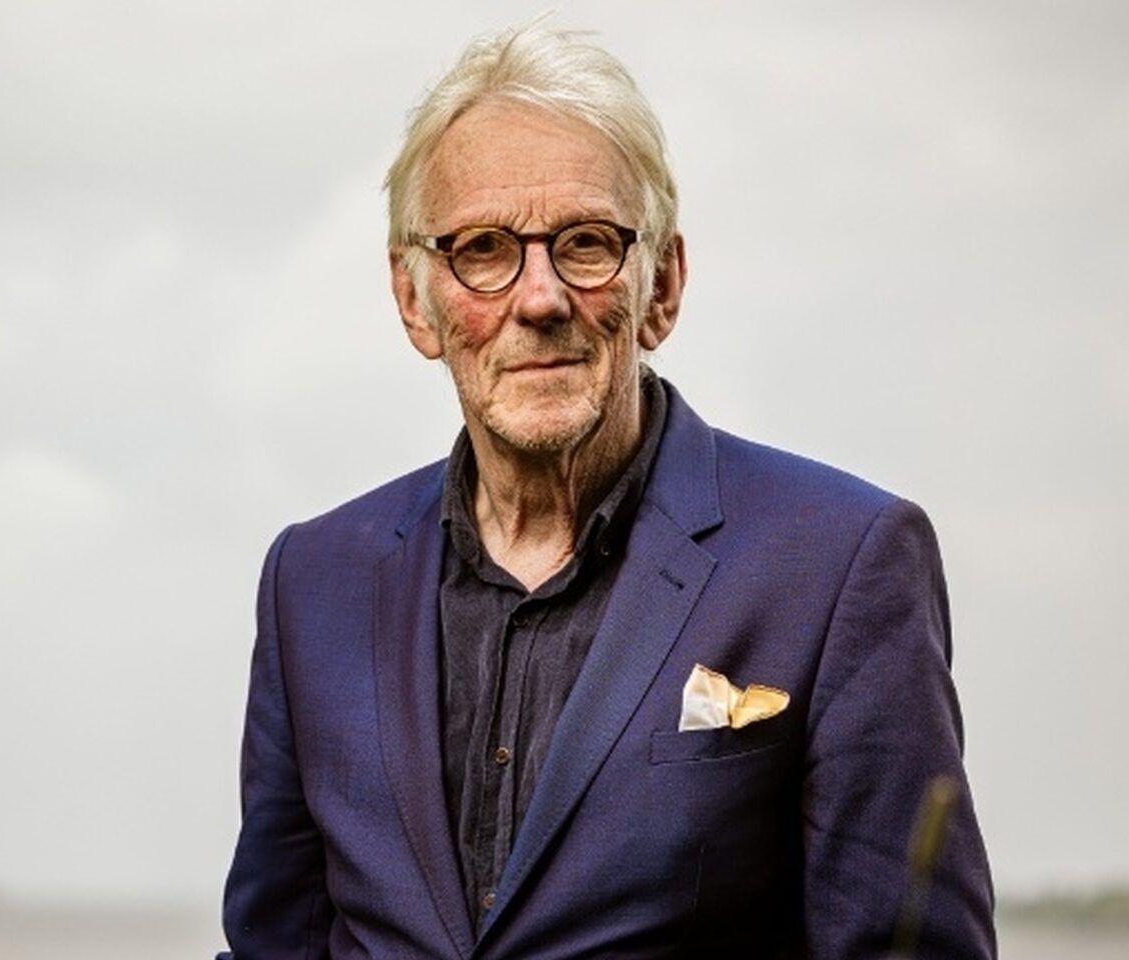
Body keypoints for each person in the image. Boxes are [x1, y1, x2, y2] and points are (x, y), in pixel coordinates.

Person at [217, 23, 995, 960]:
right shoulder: (312, 580)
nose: (540, 298)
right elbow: (273, 944)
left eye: (586, 244)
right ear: (416, 302)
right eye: (482, 249)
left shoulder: (841, 562)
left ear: (661, 286)